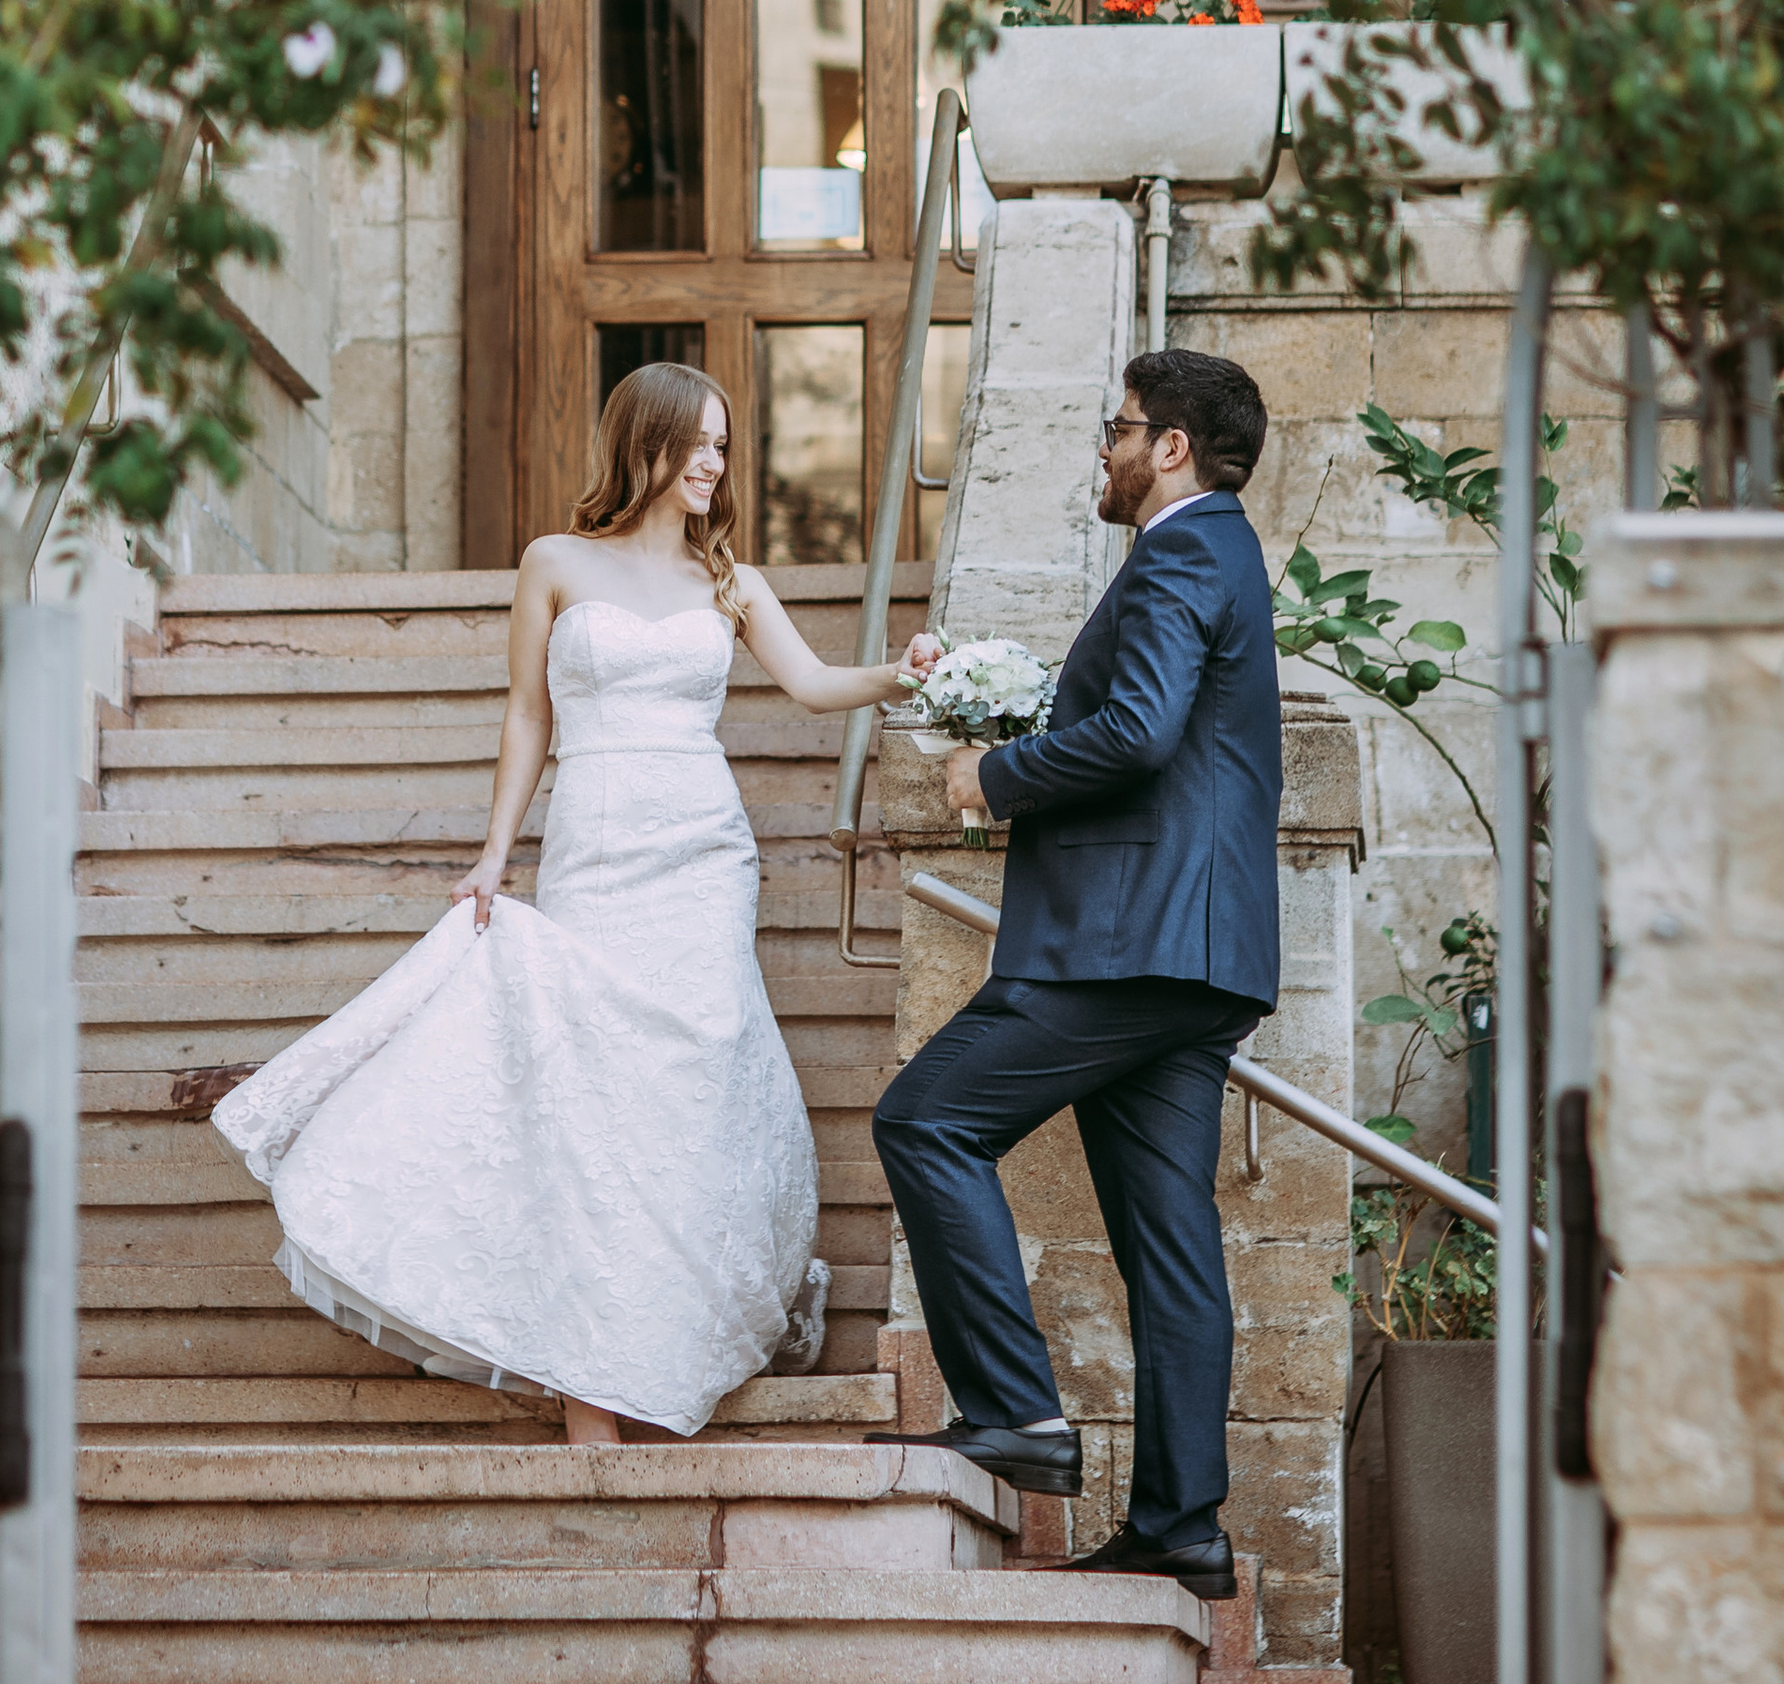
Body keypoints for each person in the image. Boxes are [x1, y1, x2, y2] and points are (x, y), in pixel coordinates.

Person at [214, 360, 918, 1442]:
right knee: (593, 1098)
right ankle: (588, 1376)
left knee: (693, 1087)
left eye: (725, 448)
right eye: (698, 444)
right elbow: (528, 717)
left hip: (700, 853)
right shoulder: (554, 562)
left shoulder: (727, 580)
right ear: (643, 442)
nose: (714, 466)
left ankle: (656, 1345)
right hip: (596, 844)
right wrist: (496, 853)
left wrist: (903, 678)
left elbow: (815, 685)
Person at [866, 343, 1282, 1595]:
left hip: (1123, 941)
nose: (1100, 451)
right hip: (1198, 957)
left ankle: (1018, 1413)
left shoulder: (1177, 552)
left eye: (1118, 429)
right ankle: (1180, 1527)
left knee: (925, 1119)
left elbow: (1142, 730)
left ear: (1169, 447)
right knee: (1170, 1246)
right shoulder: (1224, 559)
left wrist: (994, 774)